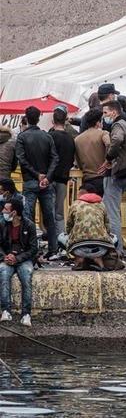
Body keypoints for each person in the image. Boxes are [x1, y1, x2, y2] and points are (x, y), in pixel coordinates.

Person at [14, 106, 59, 260]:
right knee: (49, 217)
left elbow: (22, 159)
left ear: (26, 117)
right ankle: (53, 249)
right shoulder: (47, 136)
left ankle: (31, 249)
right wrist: (47, 176)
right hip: (46, 182)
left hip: (30, 181)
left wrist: (36, 174)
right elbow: (55, 158)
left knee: (28, 216)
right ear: (39, 117)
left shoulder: (22, 137)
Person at [102, 100, 126, 254]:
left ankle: (116, 249)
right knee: (114, 210)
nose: (104, 116)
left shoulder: (117, 126)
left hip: (117, 172)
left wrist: (109, 158)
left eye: (105, 113)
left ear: (113, 112)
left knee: (112, 212)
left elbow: (116, 140)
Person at [64, 183, 123, 271]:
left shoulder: (75, 204)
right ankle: (98, 259)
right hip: (101, 248)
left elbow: (68, 227)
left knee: (61, 237)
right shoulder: (101, 204)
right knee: (114, 238)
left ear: (81, 193)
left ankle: (79, 259)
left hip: (78, 248)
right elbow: (107, 227)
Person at [0, 198, 35, 327]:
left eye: (6, 209)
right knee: (3, 274)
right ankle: (6, 310)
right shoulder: (3, 224)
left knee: (26, 276)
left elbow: (33, 249)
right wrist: (4, 257)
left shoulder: (29, 225)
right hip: (7, 259)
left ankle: (26, 313)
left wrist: (18, 258)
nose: (3, 211)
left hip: (23, 259)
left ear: (14, 212)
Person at [48, 105, 76, 230]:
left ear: (53, 121)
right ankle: (60, 241)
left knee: (49, 211)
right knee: (59, 213)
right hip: (64, 179)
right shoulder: (70, 139)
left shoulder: (50, 137)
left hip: (49, 178)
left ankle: (52, 242)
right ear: (65, 120)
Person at [74, 108, 111, 195]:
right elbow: (109, 144)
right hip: (102, 178)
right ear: (98, 122)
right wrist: (108, 161)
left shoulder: (77, 139)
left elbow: (78, 161)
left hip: (87, 179)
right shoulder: (103, 134)